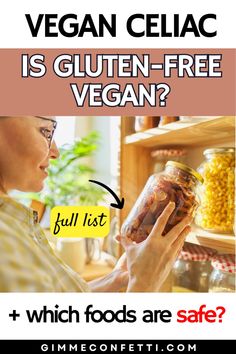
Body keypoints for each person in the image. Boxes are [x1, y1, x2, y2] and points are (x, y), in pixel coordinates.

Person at [0, 116, 192, 292]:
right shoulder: (4, 237)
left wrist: (117, 277)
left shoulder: (12, 222)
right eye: (46, 131)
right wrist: (145, 282)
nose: (55, 152)